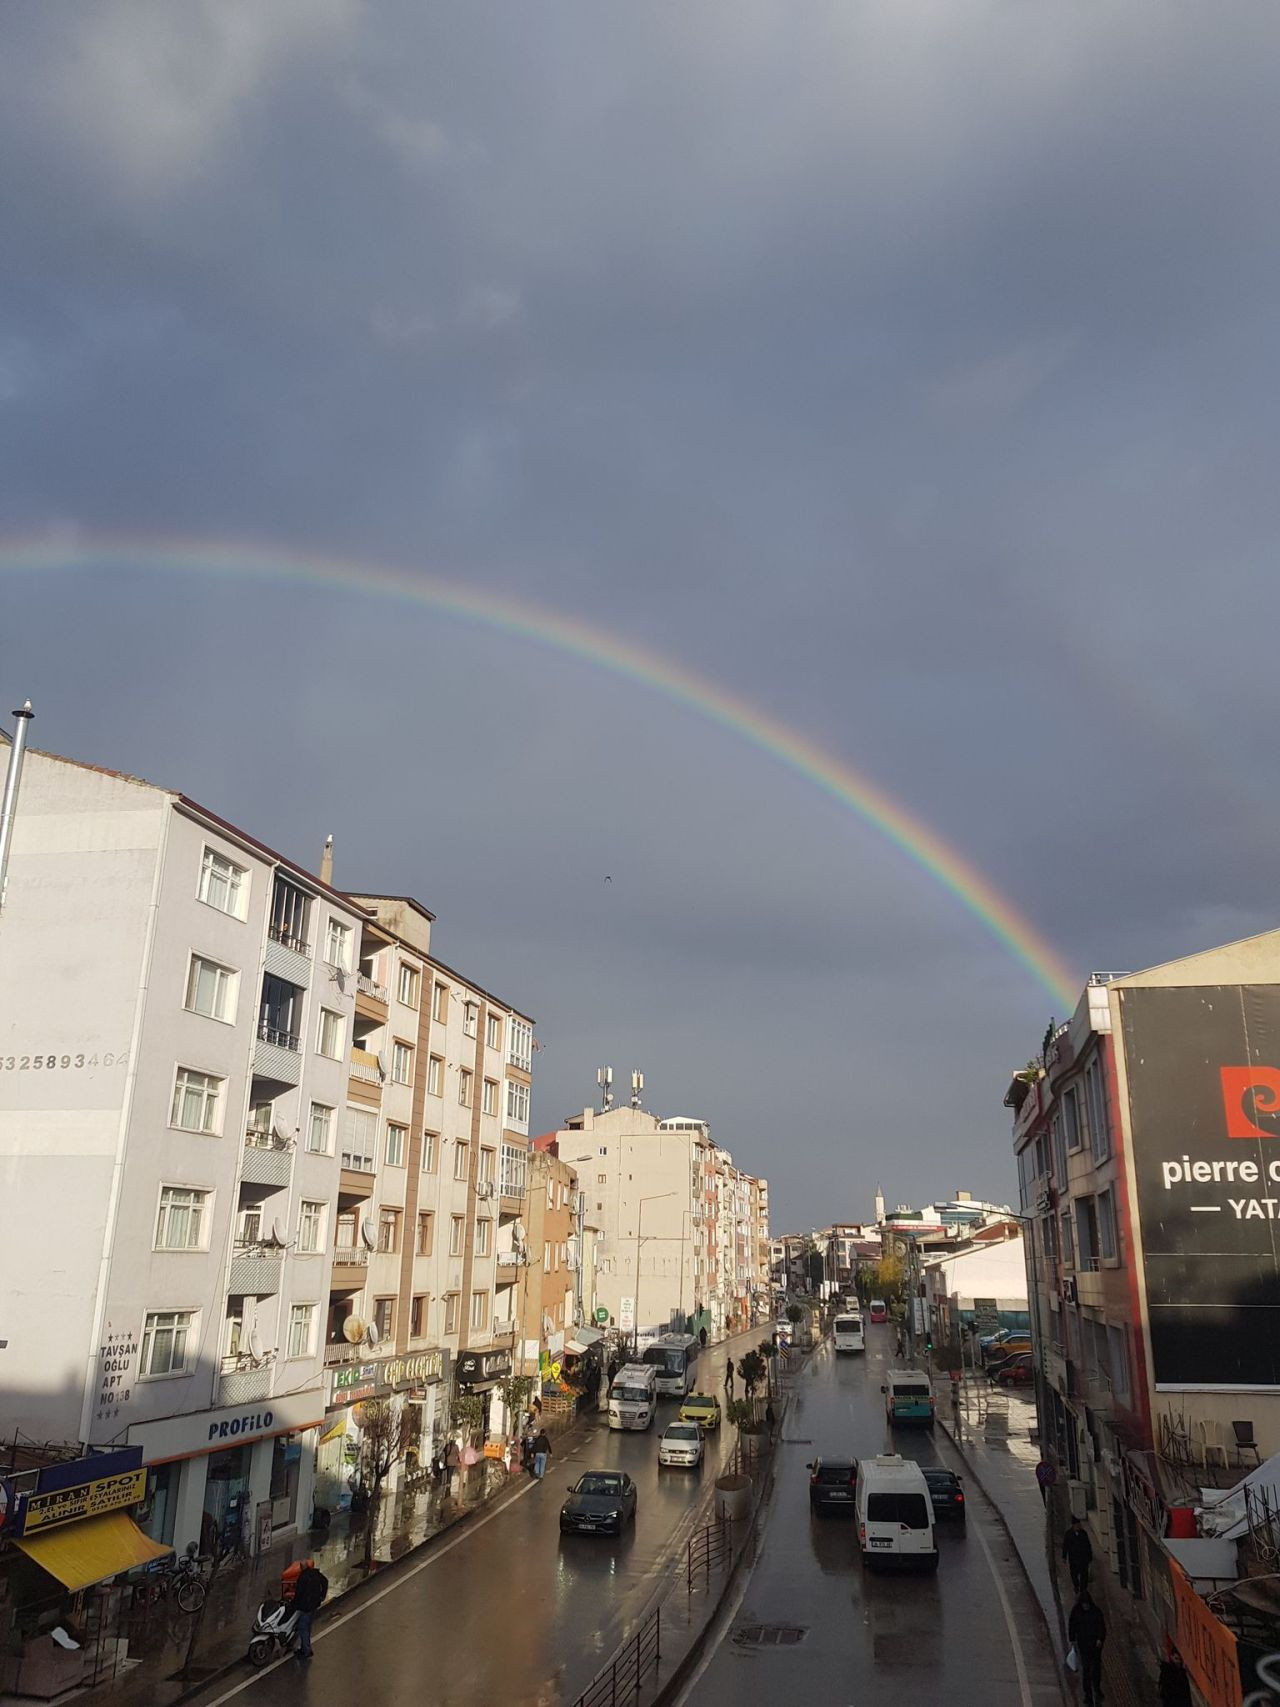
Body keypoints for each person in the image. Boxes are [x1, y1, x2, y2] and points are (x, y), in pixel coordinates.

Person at [1067, 1589, 1106, 1707]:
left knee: (1096, 1670)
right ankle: (1088, 1694)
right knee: (1086, 1670)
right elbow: (1072, 1626)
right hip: (1083, 1645)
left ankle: (1096, 1688)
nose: (1085, 1606)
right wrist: (1072, 1640)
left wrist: (1100, 1639)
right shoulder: (1077, 1612)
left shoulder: (1096, 1612)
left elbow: (1101, 1627)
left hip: (1095, 1646)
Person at [291, 1559, 329, 1661]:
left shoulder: (303, 1577)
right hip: (314, 1605)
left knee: (303, 1627)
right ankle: (304, 1647)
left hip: (306, 1607)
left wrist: (294, 1604)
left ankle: (306, 1650)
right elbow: (325, 1581)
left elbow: (299, 1593)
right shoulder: (315, 1574)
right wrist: (322, 1595)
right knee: (308, 1627)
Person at [1062, 1517, 1093, 1592]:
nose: (1078, 1526)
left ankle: (1083, 1589)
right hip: (1073, 1558)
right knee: (1074, 1574)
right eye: (1077, 1525)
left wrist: (1089, 1556)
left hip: (1083, 1558)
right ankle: (1076, 1585)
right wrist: (1064, 1557)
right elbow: (1065, 1546)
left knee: (1084, 1574)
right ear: (1073, 1525)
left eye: (1079, 1525)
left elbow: (1088, 1545)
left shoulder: (1083, 1533)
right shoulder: (1068, 1534)